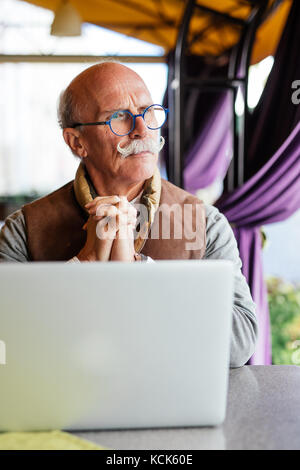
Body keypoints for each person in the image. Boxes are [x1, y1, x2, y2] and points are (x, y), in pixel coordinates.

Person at [0, 62, 257, 367]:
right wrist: (85, 263)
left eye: (148, 112)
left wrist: (140, 278)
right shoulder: (24, 229)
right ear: (77, 142)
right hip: (60, 411)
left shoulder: (205, 223)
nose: (142, 129)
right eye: (119, 117)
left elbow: (240, 342)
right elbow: (7, 340)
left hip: (176, 408)